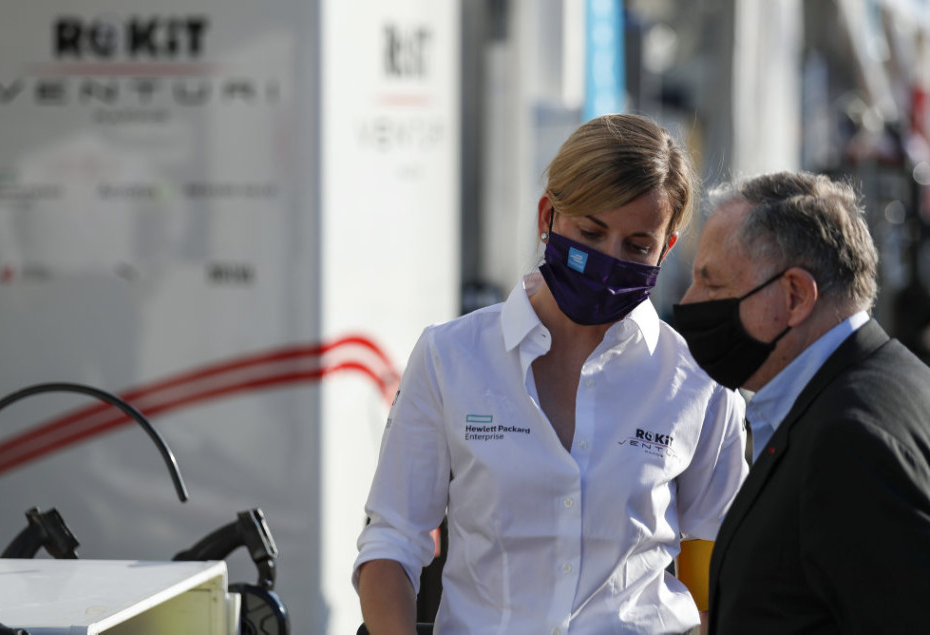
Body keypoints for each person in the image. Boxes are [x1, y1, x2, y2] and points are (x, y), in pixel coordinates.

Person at [353, 113, 749, 634]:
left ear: (667, 248)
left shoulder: (700, 383)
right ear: (548, 216)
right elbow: (391, 543)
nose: (609, 259)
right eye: (591, 232)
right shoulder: (450, 356)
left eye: (637, 246)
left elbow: (723, 574)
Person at [673, 170, 930, 633]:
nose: (689, 303)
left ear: (794, 296)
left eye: (712, 285)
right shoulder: (889, 382)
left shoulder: (849, 442)